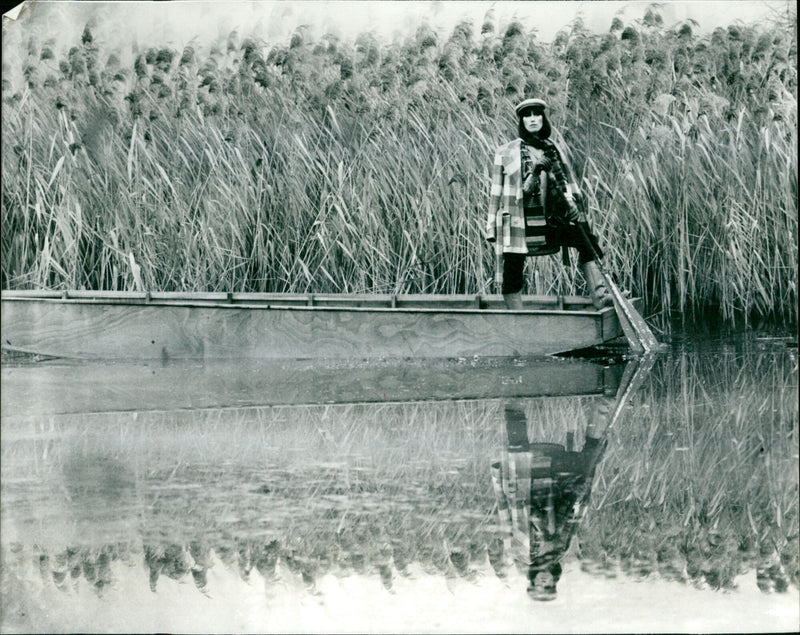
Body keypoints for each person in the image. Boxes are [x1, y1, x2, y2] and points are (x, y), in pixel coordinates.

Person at [485, 98, 612, 310]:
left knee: (586, 238)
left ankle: (600, 296)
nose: (533, 119)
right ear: (522, 121)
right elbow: (495, 192)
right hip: (517, 222)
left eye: (537, 114)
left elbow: (566, 185)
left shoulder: (552, 149)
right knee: (512, 268)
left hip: (549, 222)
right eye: (527, 115)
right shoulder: (505, 151)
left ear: (543, 119)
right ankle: (517, 318)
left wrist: (571, 205)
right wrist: (491, 227)